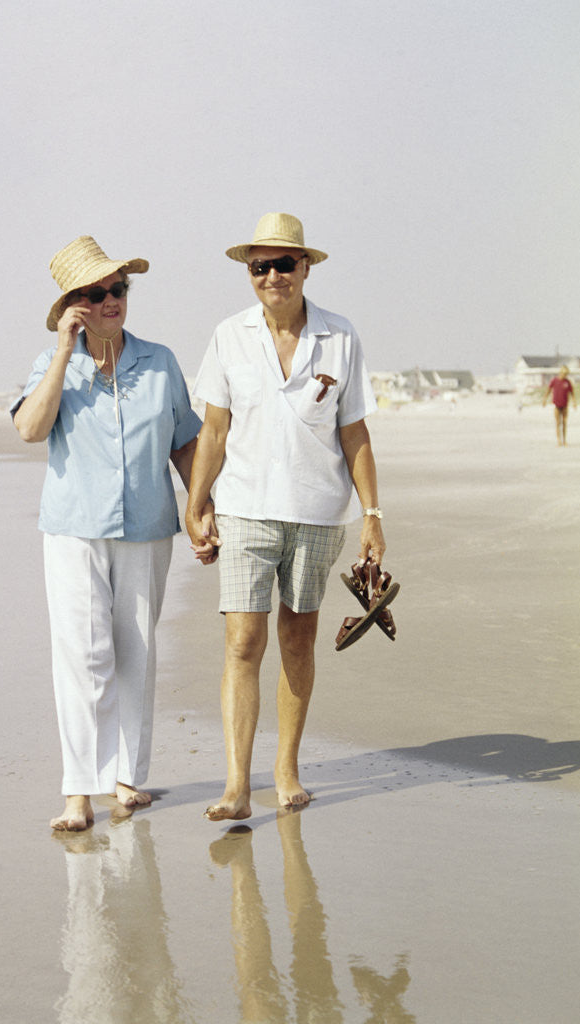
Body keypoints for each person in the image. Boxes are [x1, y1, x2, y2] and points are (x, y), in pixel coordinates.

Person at [185, 212, 386, 816]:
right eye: (260, 266)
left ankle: (286, 767)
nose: (273, 275)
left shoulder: (340, 335)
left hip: (319, 511)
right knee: (243, 641)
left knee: (298, 639)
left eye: (284, 264)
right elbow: (214, 431)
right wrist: (196, 504)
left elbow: (355, 433)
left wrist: (372, 514)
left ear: (306, 267)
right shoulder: (228, 336)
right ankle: (237, 784)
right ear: (250, 275)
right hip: (245, 508)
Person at [12, 236, 204, 831]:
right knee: (83, 654)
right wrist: (65, 349)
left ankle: (126, 779)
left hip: (147, 526)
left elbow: (186, 441)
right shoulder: (52, 366)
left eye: (118, 289)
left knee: (136, 651)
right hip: (74, 529)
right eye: (95, 294)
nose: (111, 300)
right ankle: (78, 791)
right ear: (74, 304)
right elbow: (29, 429)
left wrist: (202, 508)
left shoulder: (160, 362)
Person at [542, 365, 577, 445]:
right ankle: (559, 440)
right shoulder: (554, 380)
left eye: (566, 374)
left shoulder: (567, 382)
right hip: (556, 405)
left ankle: (564, 440)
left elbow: (572, 393)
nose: (565, 376)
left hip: (565, 405)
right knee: (558, 423)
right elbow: (548, 390)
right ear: (560, 373)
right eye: (564, 374)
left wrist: (574, 403)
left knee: (564, 423)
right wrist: (544, 400)